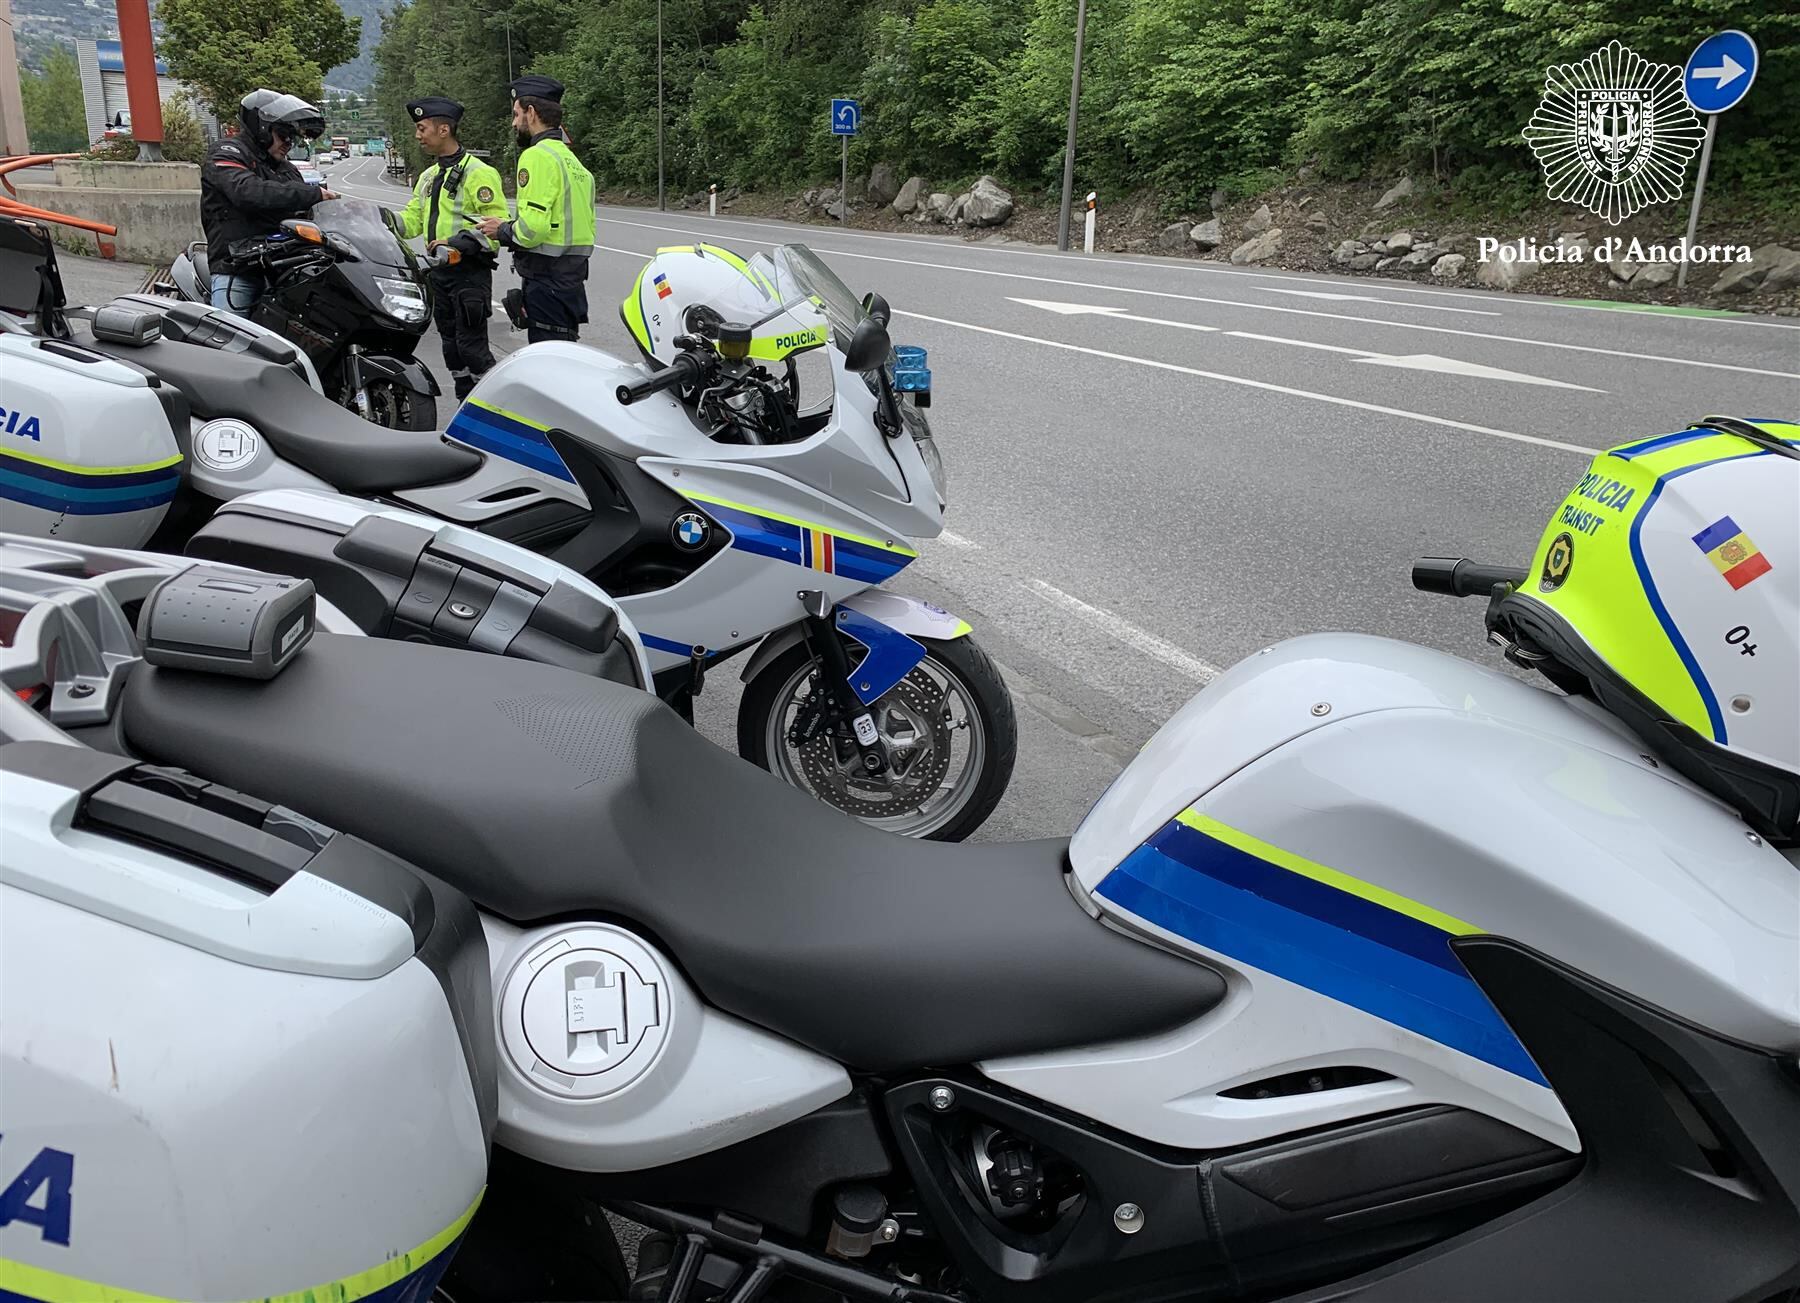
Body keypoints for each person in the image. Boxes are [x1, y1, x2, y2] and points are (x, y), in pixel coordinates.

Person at [390, 96, 509, 400]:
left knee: (472, 348)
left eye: (421, 128)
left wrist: (455, 243)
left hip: (469, 274)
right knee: (451, 347)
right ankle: (465, 406)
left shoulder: (479, 173)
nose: (418, 135)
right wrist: (376, 220)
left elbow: (496, 227)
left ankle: (497, 410)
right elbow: (412, 221)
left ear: (444, 130)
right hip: (438, 274)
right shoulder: (429, 177)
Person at [475, 75, 594, 343]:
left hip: (546, 282)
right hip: (571, 282)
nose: (514, 122)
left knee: (548, 367)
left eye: (516, 115)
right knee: (565, 359)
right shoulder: (573, 162)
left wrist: (501, 229)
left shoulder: (536, 156)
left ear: (531, 113)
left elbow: (533, 229)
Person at [199, 90, 337, 312]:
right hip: (237, 268)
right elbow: (248, 192)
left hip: (283, 268)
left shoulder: (287, 169)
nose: (288, 143)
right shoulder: (226, 153)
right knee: (230, 338)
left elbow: (308, 213)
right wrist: (313, 194)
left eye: (292, 138)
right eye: (284, 135)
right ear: (262, 128)